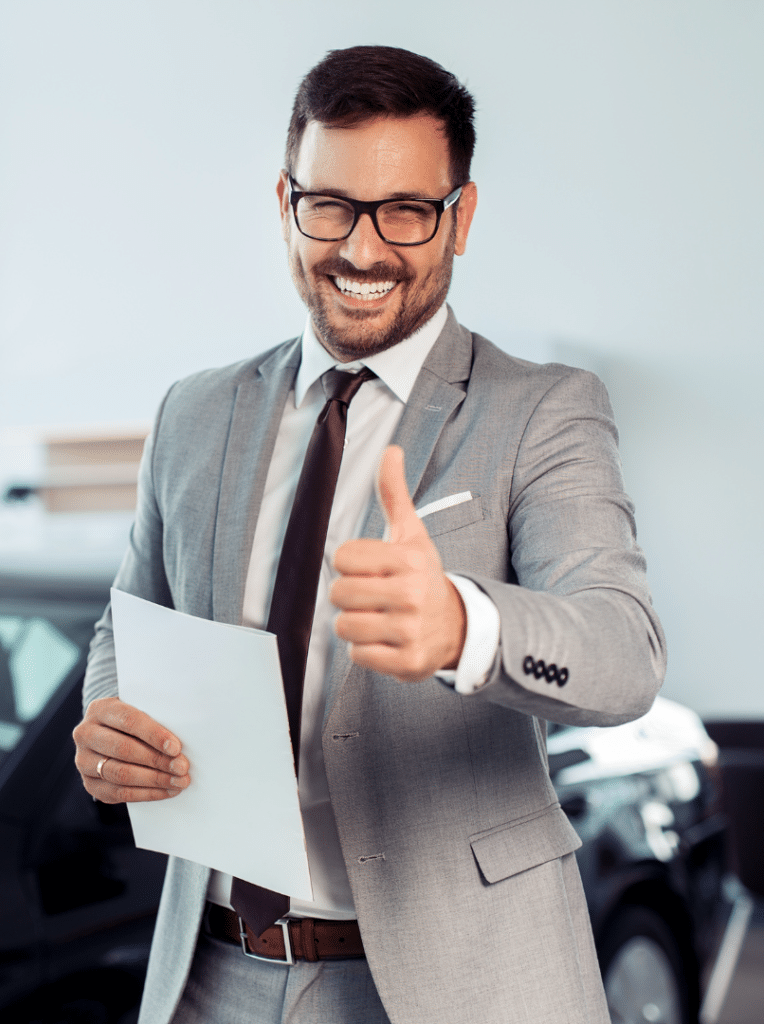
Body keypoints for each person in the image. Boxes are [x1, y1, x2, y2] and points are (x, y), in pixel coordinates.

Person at [72, 45, 665, 1024]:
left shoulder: (543, 411)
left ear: (460, 216)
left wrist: (463, 628)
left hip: (456, 982)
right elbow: (127, 627)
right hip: (213, 972)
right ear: (284, 201)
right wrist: (110, 729)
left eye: (405, 210)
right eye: (331, 205)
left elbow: (622, 649)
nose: (360, 248)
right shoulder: (193, 412)